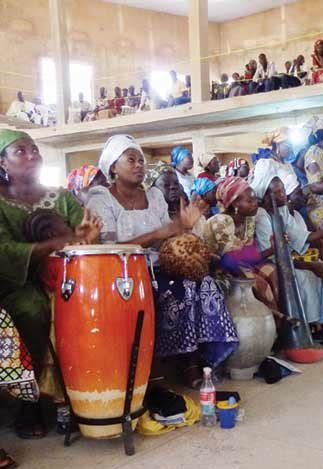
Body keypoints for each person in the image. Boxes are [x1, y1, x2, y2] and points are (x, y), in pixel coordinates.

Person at [86, 135, 238, 388]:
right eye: (131, 160)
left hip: (160, 267)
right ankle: (168, 366)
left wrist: (183, 229)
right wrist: (158, 234)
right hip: (123, 274)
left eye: (141, 161)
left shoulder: (154, 197)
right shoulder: (101, 200)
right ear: (113, 166)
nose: (138, 165)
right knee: (177, 292)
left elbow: (167, 240)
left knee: (203, 283)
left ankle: (197, 359)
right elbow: (107, 250)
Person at [0, 129, 98, 437]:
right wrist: (62, 240)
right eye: (20, 151)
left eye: (34, 150)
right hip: (17, 282)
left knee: (90, 304)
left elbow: (82, 236)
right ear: (3, 162)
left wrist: (85, 239)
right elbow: (4, 252)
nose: (31, 156)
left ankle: (84, 392)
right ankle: (28, 403)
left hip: (64, 275)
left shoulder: (62, 196)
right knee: (32, 309)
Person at [250, 164, 323, 328]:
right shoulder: (261, 216)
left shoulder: (282, 210)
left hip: (285, 258)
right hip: (268, 261)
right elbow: (273, 254)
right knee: (305, 276)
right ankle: (302, 326)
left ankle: (322, 323)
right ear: (266, 197)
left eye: (283, 190)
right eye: (278, 192)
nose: (284, 195)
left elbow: (301, 236)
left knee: (320, 270)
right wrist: (308, 265)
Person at [203, 177, 279, 313]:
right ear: (235, 204)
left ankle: (277, 316)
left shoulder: (248, 219)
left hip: (242, 264)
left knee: (273, 272)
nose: (255, 204)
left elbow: (248, 253)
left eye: (255, 199)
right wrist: (271, 250)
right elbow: (230, 259)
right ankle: (276, 318)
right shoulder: (220, 222)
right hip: (219, 269)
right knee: (261, 285)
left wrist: (273, 248)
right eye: (249, 201)